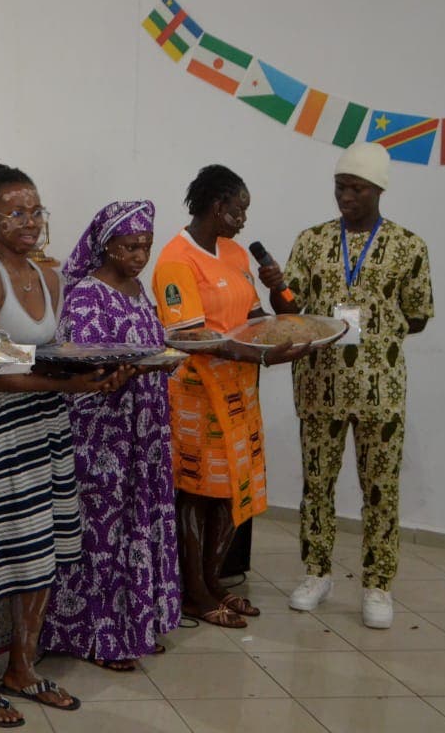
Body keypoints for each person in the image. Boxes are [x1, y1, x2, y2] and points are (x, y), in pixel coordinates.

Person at [0, 159, 124, 727]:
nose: (29, 221)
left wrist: (98, 373)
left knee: (38, 549)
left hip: (40, 428)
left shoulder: (50, 276)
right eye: (16, 212)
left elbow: (52, 351)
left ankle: (22, 666)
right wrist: (61, 383)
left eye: (36, 211)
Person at [261, 142, 433, 630]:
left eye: (356, 188)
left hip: (382, 391)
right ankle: (316, 573)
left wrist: (375, 332)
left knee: (381, 489)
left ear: (379, 189)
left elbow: (417, 316)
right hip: (320, 386)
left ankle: (377, 584)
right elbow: (289, 308)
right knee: (317, 485)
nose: (346, 197)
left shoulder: (409, 246)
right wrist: (277, 285)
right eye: (340, 187)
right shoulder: (312, 241)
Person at [152, 165, 310, 628]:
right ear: (218, 207)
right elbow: (189, 336)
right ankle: (194, 593)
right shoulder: (175, 260)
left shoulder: (237, 253)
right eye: (239, 210)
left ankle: (213, 580)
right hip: (196, 395)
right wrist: (258, 355)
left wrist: (279, 291)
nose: (243, 218)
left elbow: (262, 316)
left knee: (230, 490)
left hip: (240, 390)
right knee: (197, 494)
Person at [38, 200, 180, 671]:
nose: (140, 256)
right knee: (103, 531)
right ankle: (96, 636)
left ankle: (134, 624)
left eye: (145, 246)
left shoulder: (140, 290)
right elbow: (77, 361)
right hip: (103, 432)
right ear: (106, 245)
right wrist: (119, 370)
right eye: (129, 247)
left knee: (140, 521)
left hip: (145, 428)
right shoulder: (86, 295)